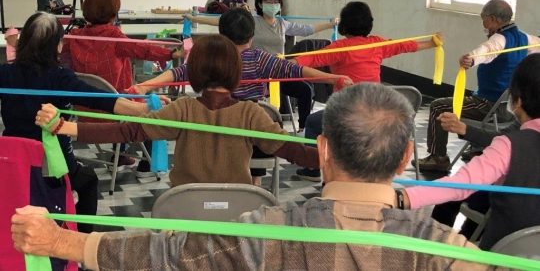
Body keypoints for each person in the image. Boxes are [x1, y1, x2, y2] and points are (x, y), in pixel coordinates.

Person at [13, 83, 489, 270]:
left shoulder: (265, 232)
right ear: (407, 156)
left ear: (323, 150)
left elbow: (164, 254)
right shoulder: (449, 251)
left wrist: (61, 241)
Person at [35, 34, 319, 188]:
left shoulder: (184, 108)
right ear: (236, 71)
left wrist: (66, 127)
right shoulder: (251, 113)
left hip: (184, 211)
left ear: (194, 71)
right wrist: (334, 158)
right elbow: (292, 149)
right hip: (236, 213)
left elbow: (127, 131)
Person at [135, 9, 351, 186]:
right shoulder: (259, 59)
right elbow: (297, 71)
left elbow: (177, 73)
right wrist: (332, 79)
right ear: (251, 36)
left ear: (221, 35)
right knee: (260, 123)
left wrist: (146, 86)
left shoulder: (210, 59)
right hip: (256, 139)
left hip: (213, 139)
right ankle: (255, 184)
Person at [0, 12, 154, 233]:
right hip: (52, 165)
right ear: (58, 46)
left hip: (12, 161)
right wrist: (146, 109)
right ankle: (80, 242)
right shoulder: (60, 77)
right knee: (88, 180)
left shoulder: (5, 73)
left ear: (23, 43)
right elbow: (103, 100)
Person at [291, 1, 442, 182]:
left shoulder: (340, 47)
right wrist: (432, 43)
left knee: (312, 122)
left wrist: (279, 64)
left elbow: (308, 60)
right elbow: (405, 46)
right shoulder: (377, 43)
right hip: (377, 115)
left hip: (347, 115)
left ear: (345, 24)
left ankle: (312, 170)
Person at [401, 53, 540, 250]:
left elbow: (461, 184)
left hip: (504, 253)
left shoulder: (510, 145)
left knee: (465, 198)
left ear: (517, 101)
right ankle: (459, 243)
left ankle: (440, 248)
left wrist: (400, 198)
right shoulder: (514, 139)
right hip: (527, 250)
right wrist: (464, 129)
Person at [62, 0, 184, 176]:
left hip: (84, 111)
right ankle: (146, 164)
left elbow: (62, 64)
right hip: (116, 109)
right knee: (152, 104)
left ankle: (121, 156)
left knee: (125, 95)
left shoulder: (74, 38)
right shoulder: (115, 38)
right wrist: (172, 53)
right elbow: (143, 49)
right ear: (113, 14)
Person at [186, 0, 338, 131]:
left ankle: (303, 127)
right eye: (268, 1)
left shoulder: (282, 24)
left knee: (306, 89)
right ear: (260, 4)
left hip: (276, 70)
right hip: (256, 72)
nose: (272, 5)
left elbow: (306, 30)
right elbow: (223, 21)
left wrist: (330, 25)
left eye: (275, 2)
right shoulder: (252, 22)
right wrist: (195, 19)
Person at [414, 0, 540, 172]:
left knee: (438, 106)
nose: (483, 23)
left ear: (492, 19)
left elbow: (486, 51)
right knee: (471, 97)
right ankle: (478, 148)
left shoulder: (499, 39)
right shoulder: (524, 37)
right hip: (509, 108)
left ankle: (438, 158)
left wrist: (471, 59)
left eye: (483, 18)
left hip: (489, 106)